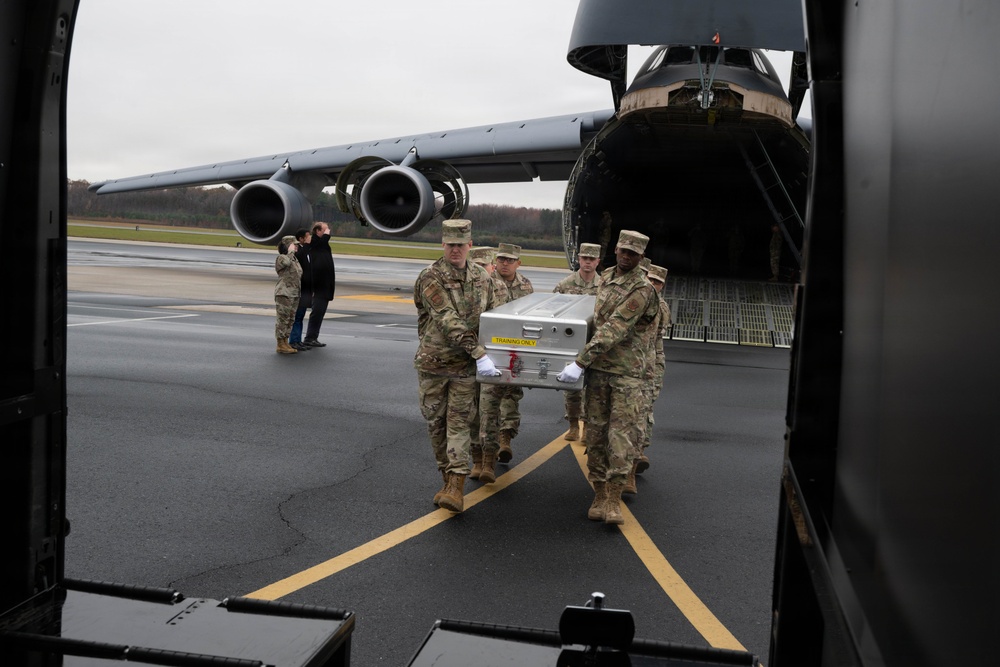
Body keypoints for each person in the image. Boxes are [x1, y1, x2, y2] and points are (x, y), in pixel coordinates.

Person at [556, 230, 662, 525]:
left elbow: (616, 327)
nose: (627, 257)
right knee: (597, 435)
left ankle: (614, 499)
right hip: (601, 372)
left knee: (621, 438)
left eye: (633, 254)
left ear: (641, 257)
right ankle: (599, 493)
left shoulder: (642, 288)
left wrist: (579, 361)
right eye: (623, 251)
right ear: (616, 250)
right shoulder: (607, 279)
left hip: (628, 375)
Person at [413, 221, 503, 512]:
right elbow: (446, 318)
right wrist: (480, 354)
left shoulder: (482, 277)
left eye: (460, 244)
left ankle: (456, 484)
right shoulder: (431, 276)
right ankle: (445, 476)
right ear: (443, 244)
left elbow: (491, 318)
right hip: (434, 365)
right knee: (436, 425)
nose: (455, 249)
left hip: (465, 368)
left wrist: (493, 353)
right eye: (450, 244)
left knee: (459, 425)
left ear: (470, 245)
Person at [480, 242, 533, 465]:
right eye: (501, 259)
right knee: (488, 397)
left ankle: (505, 439)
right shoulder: (487, 282)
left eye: (510, 260)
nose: (505, 263)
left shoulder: (526, 286)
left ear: (518, 263)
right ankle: (484, 447)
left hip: (515, 348)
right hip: (491, 347)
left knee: (512, 394)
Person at [553, 242, 603, 441]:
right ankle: (573, 424)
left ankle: (587, 427)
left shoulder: (604, 286)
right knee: (572, 388)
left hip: (595, 343)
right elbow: (553, 312)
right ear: (579, 259)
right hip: (571, 344)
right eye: (584, 258)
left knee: (594, 389)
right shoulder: (565, 285)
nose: (587, 262)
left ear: (598, 261)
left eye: (591, 259)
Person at [467, 247, 508, 483]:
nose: (483, 270)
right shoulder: (466, 289)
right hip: (469, 358)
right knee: (472, 413)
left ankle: (490, 460)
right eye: (478, 265)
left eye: (486, 265)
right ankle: (477, 459)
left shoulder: (499, 289)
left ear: (493, 267)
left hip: (493, 360)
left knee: (490, 412)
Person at [629, 263, 670, 491]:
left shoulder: (660, 306)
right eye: (649, 280)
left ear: (662, 286)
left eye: (657, 282)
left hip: (650, 363)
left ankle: (639, 452)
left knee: (644, 408)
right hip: (631, 361)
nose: (652, 285)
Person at [304, 221, 335, 347]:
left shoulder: (322, 244)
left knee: (321, 313)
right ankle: (309, 337)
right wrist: (326, 236)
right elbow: (320, 244)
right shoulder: (314, 243)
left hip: (325, 285)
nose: (328, 232)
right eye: (325, 230)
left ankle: (313, 337)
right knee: (317, 312)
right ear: (318, 231)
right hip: (318, 285)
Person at [274, 235, 303, 355]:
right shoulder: (281, 258)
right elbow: (285, 263)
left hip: (294, 293)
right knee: (283, 319)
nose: (296, 247)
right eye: (293, 244)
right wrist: (290, 252)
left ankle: (285, 341)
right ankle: (280, 343)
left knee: (290, 319)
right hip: (284, 293)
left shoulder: (294, 259)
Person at [288, 228, 313, 351]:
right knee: (297, 317)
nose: (310, 238)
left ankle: (298, 340)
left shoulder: (306, 251)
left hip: (306, 290)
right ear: (301, 239)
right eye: (308, 236)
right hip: (300, 289)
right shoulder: (299, 252)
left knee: (301, 316)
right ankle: (293, 341)